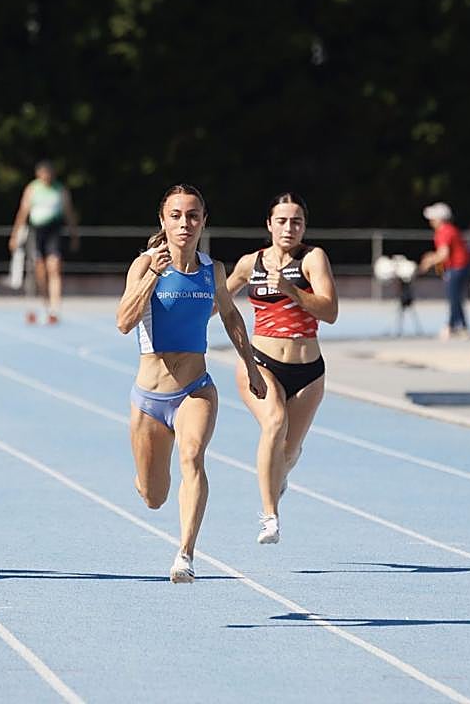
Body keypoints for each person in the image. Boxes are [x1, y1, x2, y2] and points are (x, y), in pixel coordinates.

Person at [116, 184, 266, 582]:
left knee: (193, 456)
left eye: (193, 215)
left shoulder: (212, 270)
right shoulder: (143, 265)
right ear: (163, 221)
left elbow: (230, 316)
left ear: (203, 221)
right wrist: (153, 274)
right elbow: (124, 322)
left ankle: (185, 554)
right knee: (154, 497)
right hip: (149, 400)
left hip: (194, 390)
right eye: (177, 215)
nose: (185, 223)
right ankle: (144, 480)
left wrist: (251, 367)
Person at [224, 192, 337, 544]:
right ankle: (269, 516)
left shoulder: (312, 258)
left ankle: (281, 473)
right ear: (269, 224)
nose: (289, 228)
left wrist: (291, 290)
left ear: (304, 226)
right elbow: (218, 301)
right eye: (282, 221)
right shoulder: (250, 263)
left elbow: (330, 312)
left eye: (296, 221)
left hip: (308, 371)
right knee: (274, 422)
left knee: (287, 451)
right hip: (261, 363)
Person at [9, 160, 79, 322]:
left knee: (54, 267)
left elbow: (69, 213)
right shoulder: (32, 189)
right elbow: (23, 212)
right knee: (40, 270)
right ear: (38, 174)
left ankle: (55, 307)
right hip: (37, 232)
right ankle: (45, 302)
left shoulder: (60, 190)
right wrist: (15, 235)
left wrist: (74, 235)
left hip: (53, 231)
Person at [418, 202, 470, 340]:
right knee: (455, 298)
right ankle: (458, 326)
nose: (430, 221)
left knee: (453, 298)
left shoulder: (444, 232)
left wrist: (428, 262)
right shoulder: (449, 230)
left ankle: (456, 326)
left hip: (456, 267)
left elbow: (443, 254)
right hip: (459, 267)